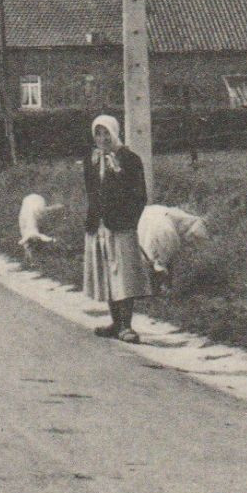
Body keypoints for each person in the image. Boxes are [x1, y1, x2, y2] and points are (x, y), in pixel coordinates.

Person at [82, 114, 153, 343]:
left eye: (106, 133)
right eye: (98, 133)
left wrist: (128, 221)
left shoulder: (129, 159)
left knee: (124, 276)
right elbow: (91, 192)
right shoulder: (91, 160)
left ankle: (127, 325)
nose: (102, 138)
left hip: (121, 227)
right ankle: (115, 323)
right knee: (106, 274)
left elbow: (139, 195)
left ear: (115, 133)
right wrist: (94, 217)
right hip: (99, 225)